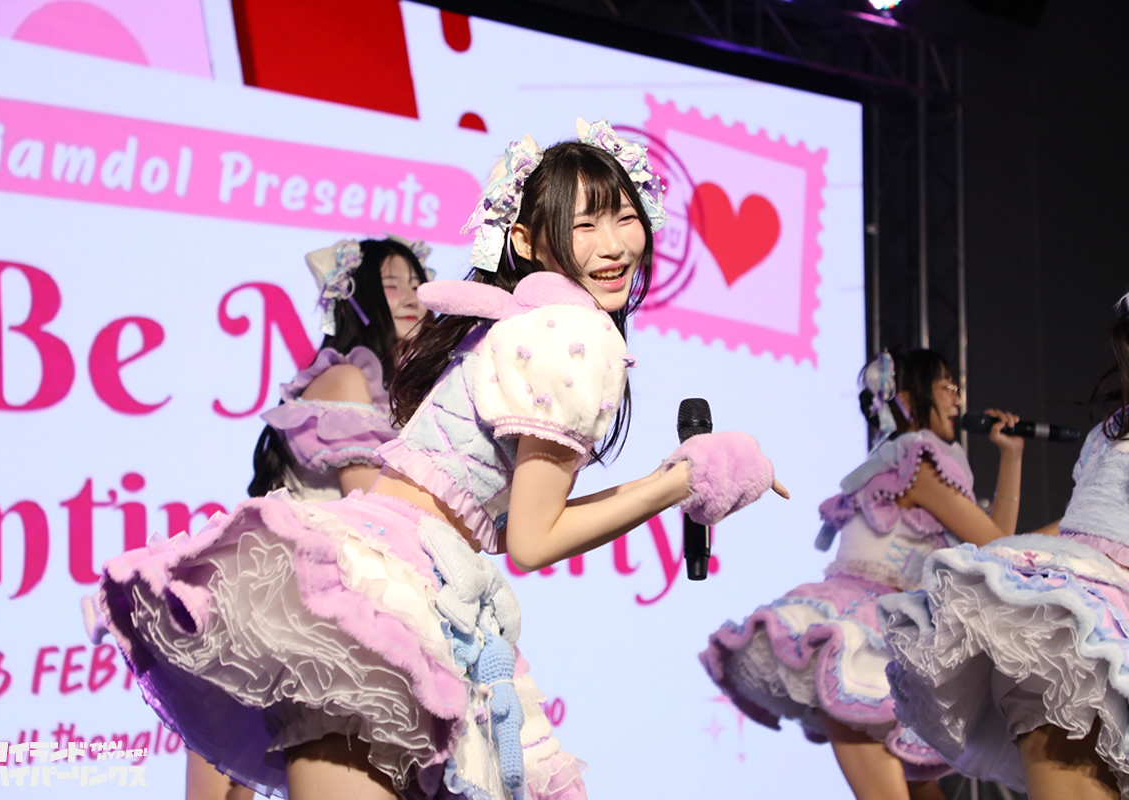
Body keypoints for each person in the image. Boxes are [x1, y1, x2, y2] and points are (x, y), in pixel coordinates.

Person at [95, 119, 785, 800]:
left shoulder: (514, 322)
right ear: (526, 240)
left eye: (626, 219)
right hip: (398, 586)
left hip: (386, 579)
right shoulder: (574, 333)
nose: (614, 246)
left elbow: (521, 515)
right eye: (585, 225)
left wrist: (674, 478)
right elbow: (534, 540)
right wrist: (686, 481)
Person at [700, 348, 1024, 800]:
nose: (957, 397)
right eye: (945, 386)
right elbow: (999, 547)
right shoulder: (915, 464)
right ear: (907, 399)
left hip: (893, 631)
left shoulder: (896, 464)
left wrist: (1011, 457)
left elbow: (996, 548)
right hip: (868, 629)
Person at [184, 236, 431, 799]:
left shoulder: (391, 392)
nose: (411, 296)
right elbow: (375, 510)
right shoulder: (347, 379)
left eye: (417, 283)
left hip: (317, 606)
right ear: (356, 301)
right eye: (391, 284)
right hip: (289, 603)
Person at [880, 294, 1129, 800]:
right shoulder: (1105, 436)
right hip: (1066, 624)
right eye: (945, 384)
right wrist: (1006, 567)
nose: (957, 396)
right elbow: (1072, 529)